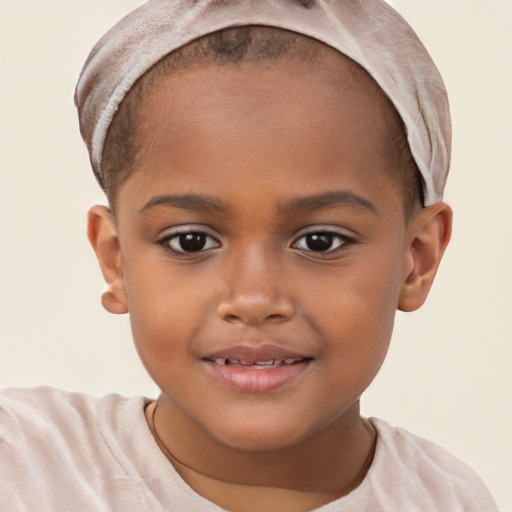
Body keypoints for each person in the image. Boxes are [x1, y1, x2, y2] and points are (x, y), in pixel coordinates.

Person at [0, 1, 499, 511]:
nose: (254, 298)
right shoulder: (20, 468)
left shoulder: (448, 500)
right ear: (116, 258)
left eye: (320, 241)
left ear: (417, 259)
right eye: (190, 241)